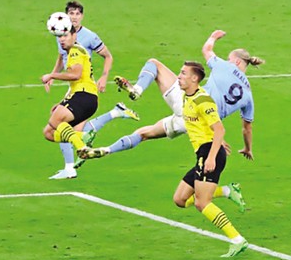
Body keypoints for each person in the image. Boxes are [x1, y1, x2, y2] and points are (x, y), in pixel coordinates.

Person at [81, 31, 258, 185]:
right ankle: (107, 150)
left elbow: (207, 50)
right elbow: (247, 128)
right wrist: (247, 148)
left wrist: (213, 37)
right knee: (144, 134)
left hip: (188, 102)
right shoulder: (249, 96)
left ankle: (137, 89)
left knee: (154, 64)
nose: (227, 60)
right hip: (191, 124)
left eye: (229, 59)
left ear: (236, 61)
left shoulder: (225, 66)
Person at [171, 60, 250, 258]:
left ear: (194, 78)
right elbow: (208, 127)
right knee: (180, 199)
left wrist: (212, 156)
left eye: (183, 73)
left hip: (209, 154)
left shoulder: (203, 101)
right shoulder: (187, 97)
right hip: (203, 153)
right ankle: (227, 191)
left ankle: (237, 239)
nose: (179, 76)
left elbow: (219, 129)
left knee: (201, 202)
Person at [46, 0, 128, 178]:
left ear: (82, 16)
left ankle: (74, 158)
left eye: (77, 13)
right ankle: (73, 160)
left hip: (83, 86)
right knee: (59, 126)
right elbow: (61, 56)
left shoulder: (86, 38)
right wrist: (53, 74)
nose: (74, 17)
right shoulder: (62, 35)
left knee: (58, 124)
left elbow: (107, 56)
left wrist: (104, 76)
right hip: (76, 86)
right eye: (71, 13)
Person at [41, 26, 99, 180]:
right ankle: (82, 137)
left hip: (84, 95)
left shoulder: (75, 51)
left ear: (74, 36)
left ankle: (81, 147)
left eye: (65, 35)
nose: (62, 39)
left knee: (56, 121)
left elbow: (76, 75)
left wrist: (52, 75)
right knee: (48, 132)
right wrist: (62, 102)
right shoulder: (74, 51)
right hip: (83, 97)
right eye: (60, 36)